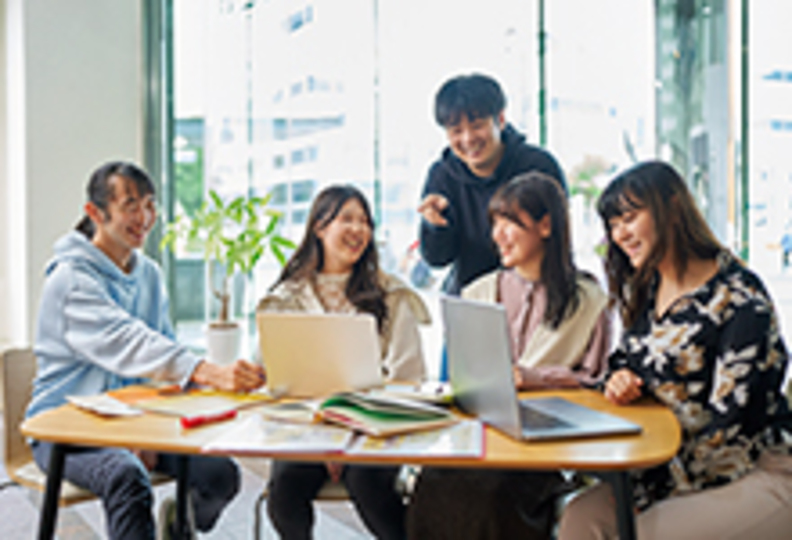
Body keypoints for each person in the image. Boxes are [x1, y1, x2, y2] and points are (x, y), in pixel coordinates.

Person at [25, 161, 266, 540]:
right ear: (95, 213)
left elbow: (164, 350)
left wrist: (154, 427)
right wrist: (208, 370)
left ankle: (179, 526)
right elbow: (130, 342)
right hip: (67, 430)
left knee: (219, 474)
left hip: (135, 419)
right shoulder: (71, 279)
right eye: (131, 205)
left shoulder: (148, 274)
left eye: (151, 205)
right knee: (126, 477)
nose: (145, 217)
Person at [558, 161, 792, 539]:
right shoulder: (649, 289)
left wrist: (655, 491)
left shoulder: (740, 298)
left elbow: (729, 433)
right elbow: (623, 361)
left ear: (672, 208)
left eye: (629, 218)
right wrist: (618, 379)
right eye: (613, 224)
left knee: (645, 533)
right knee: (579, 519)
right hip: (669, 465)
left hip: (757, 468)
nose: (619, 234)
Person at [408, 172, 611, 540]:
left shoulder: (589, 301)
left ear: (546, 225)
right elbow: (463, 378)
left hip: (542, 447)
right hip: (480, 438)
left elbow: (596, 382)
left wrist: (535, 378)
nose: (497, 235)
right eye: (495, 223)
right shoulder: (476, 292)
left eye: (510, 223)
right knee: (434, 483)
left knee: (491, 497)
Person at [257, 184, 430, 540]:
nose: (359, 230)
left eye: (365, 221)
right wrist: (323, 439)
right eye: (347, 219)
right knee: (285, 492)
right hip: (305, 431)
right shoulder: (286, 297)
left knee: (368, 483)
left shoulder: (393, 295)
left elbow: (408, 378)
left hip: (375, 429)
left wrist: (348, 436)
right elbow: (271, 377)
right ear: (320, 227)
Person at [418, 73, 567, 295]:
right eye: (456, 131)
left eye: (477, 125)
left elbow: (559, 239)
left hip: (536, 292)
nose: (468, 139)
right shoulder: (442, 175)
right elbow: (437, 259)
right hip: (471, 297)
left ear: (501, 119)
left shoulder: (538, 166)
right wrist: (435, 226)